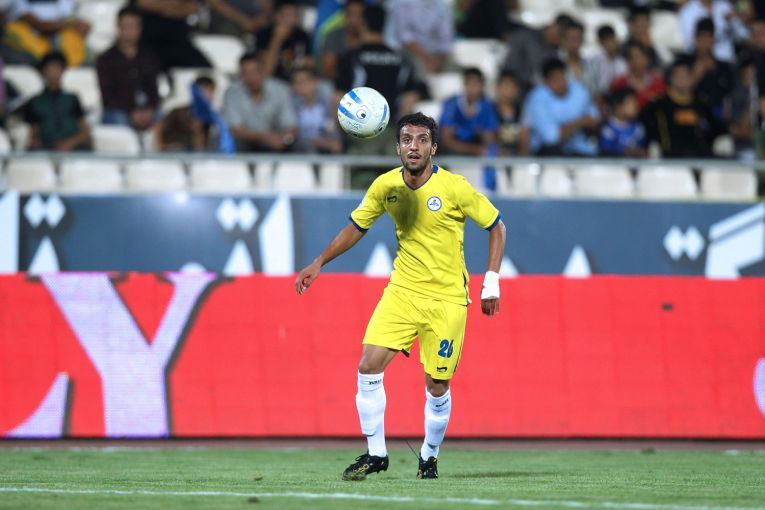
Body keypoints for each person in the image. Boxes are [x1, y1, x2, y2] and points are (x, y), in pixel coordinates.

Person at [295, 112, 506, 481]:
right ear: (397, 147)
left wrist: (491, 282)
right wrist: (320, 261)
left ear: (433, 148)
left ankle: (429, 456)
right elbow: (357, 226)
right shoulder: (385, 186)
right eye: (407, 139)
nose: (414, 146)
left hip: (446, 299)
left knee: (437, 385)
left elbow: (496, 226)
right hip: (402, 292)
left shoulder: (454, 188)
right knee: (367, 366)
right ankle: (376, 453)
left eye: (422, 140)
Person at [335, 4, 422, 188]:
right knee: (394, 189)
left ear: (363, 23)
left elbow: (338, 98)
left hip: (361, 134)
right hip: (392, 134)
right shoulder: (401, 58)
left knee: (362, 191)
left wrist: (341, 133)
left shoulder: (352, 57)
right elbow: (409, 100)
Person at [641, 59, 726, 158]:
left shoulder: (701, 104)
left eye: (685, 76)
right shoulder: (658, 104)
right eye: (678, 76)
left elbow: (717, 128)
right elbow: (647, 128)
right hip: (669, 158)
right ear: (671, 78)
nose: (681, 80)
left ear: (691, 78)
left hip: (699, 157)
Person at [96, 6, 161, 131]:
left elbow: (153, 89)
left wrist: (149, 110)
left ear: (140, 28)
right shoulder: (106, 59)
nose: (130, 31)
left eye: (133, 26)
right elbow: (107, 96)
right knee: (117, 119)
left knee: (166, 121)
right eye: (126, 26)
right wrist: (131, 112)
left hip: (147, 110)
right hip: (119, 111)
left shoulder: (149, 56)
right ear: (118, 27)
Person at [522, 57, 599, 156]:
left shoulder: (579, 90)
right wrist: (580, 122)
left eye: (562, 76)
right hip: (547, 153)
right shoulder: (537, 97)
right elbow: (552, 138)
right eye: (555, 79)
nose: (560, 83)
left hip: (580, 150)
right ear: (546, 81)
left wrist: (570, 127)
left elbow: (595, 120)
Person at [222, 52, 297, 152]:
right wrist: (264, 137)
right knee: (236, 143)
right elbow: (234, 129)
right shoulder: (232, 93)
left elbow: (290, 125)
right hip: (247, 143)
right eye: (246, 73)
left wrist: (285, 139)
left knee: (299, 145)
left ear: (263, 71)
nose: (251, 77)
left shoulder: (280, 90)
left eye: (255, 72)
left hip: (278, 142)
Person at [23, 51, 90, 151]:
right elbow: (34, 134)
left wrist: (69, 143)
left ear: (63, 71)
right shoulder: (34, 102)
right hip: (47, 148)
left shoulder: (72, 98)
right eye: (50, 69)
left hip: (74, 148)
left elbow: (84, 131)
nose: (54, 73)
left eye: (57, 68)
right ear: (43, 72)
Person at [678, 17, 734, 120]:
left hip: (717, 118)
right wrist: (695, 75)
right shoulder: (683, 63)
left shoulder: (724, 67)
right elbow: (676, 93)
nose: (704, 44)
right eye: (701, 39)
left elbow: (730, 96)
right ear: (695, 39)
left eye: (708, 39)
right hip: (688, 115)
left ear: (713, 41)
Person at [2, 0, 89, 66]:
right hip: (29, 45)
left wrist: (78, 25)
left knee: (72, 36)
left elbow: (82, 25)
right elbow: (39, 26)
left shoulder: (63, 2)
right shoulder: (19, 2)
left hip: (55, 41)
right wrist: (69, 24)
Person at [131, 0, 211, 70]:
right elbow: (143, 3)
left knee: (204, 70)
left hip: (178, 41)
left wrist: (161, 6)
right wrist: (175, 5)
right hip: (150, 41)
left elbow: (193, 7)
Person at [503, 14, 572, 92]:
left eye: (564, 38)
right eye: (560, 34)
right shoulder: (525, 37)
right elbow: (510, 67)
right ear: (552, 26)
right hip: (513, 88)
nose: (560, 40)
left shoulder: (557, 53)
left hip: (540, 92)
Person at [439, 67, 499, 156]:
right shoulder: (451, 105)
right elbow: (447, 141)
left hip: (478, 157)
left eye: (477, 85)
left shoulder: (487, 106)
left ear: (482, 86)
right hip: (451, 155)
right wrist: (474, 149)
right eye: (471, 84)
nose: (474, 89)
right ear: (465, 84)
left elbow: (489, 139)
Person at [386, 0, 453, 75]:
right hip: (407, 52)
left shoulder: (442, 5)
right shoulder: (401, 3)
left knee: (452, 72)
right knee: (417, 69)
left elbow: (446, 38)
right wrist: (426, 59)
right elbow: (404, 36)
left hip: (436, 55)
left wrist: (439, 62)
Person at [254, 0, 312, 82]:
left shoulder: (302, 35)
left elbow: (310, 63)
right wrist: (277, 40)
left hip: (297, 80)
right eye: (287, 15)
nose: (291, 19)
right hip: (273, 80)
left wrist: (289, 59)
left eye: (294, 15)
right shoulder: (264, 34)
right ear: (276, 16)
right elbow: (266, 71)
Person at [154, 75, 215, 151]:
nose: (208, 94)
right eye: (204, 90)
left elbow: (201, 146)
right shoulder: (178, 113)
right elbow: (159, 126)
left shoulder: (213, 119)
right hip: (172, 154)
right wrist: (161, 148)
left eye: (211, 90)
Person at [291, 66, 342, 153]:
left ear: (314, 82)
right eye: (296, 82)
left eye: (303, 81)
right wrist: (318, 142)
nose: (299, 86)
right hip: (300, 150)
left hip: (325, 149)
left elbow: (332, 130)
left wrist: (331, 142)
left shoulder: (326, 104)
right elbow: (293, 135)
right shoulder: (291, 105)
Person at [679, 0, 748, 63]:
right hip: (700, 61)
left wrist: (733, 21)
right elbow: (689, 44)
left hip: (726, 58)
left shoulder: (724, 6)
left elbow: (744, 36)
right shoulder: (688, 11)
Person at [611, 43, 666, 111]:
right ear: (628, 61)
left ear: (647, 59)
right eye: (632, 57)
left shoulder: (658, 81)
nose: (637, 61)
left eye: (640, 56)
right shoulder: (619, 83)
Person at [320, 0, 364, 81]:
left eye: (359, 15)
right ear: (345, 16)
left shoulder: (370, 37)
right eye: (351, 14)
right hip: (337, 83)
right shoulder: (334, 36)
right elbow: (327, 70)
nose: (354, 19)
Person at [599, 87, 647, 157]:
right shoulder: (608, 129)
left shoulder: (638, 127)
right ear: (619, 108)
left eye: (635, 103)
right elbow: (606, 149)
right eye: (631, 103)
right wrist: (628, 151)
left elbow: (642, 147)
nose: (635, 106)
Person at [583, 24, 628, 99]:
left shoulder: (622, 62)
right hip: (598, 97)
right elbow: (590, 84)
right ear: (601, 42)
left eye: (611, 39)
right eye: (606, 40)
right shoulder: (594, 61)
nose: (610, 44)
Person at [494, 70, 528, 155]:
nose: (509, 90)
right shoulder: (490, 110)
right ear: (498, 87)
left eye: (512, 86)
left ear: (517, 89)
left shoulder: (522, 112)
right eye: (506, 86)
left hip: (516, 158)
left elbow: (525, 143)